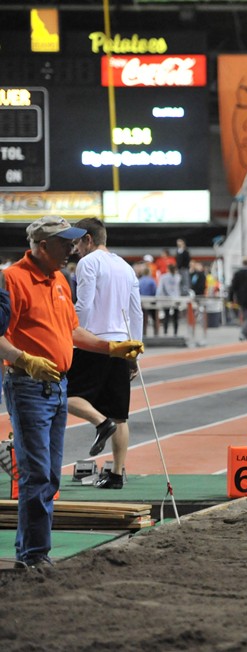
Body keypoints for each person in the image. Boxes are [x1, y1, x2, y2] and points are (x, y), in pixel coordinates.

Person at [0, 216, 142, 570]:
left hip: (58, 386)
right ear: (42, 245)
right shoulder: (12, 279)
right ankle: (34, 555)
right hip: (28, 385)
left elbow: (73, 331)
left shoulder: (60, 280)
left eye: (74, 242)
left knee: (50, 474)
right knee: (37, 474)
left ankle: (34, 552)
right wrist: (23, 359)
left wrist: (112, 349)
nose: (72, 249)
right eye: (65, 243)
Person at [67, 218, 143, 489]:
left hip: (95, 342)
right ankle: (116, 475)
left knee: (62, 396)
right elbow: (136, 312)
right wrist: (135, 351)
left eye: (76, 243)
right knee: (120, 414)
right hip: (122, 345)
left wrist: (75, 335)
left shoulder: (88, 263)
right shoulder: (126, 267)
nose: (75, 249)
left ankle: (100, 423)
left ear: (88, 239)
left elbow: (84, 306)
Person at [156, 263, 182, 336]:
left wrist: (157, 297)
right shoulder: (178, 277)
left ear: (168, 269)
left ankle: (165, 332)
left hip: (166, 298)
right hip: (176, 298)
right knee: (176, 317)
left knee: (166, 316)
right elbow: (179, 288)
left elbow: (160, 288)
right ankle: (175, 332)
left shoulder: (163, 277)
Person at [137, 261, 158, 338]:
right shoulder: (152, 281)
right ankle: (156, 332)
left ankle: (144, 332)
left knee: (143, 318)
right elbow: (154, 291)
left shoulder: (139, 281)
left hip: (142, 301)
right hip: (151, 301)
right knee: (154, 317)